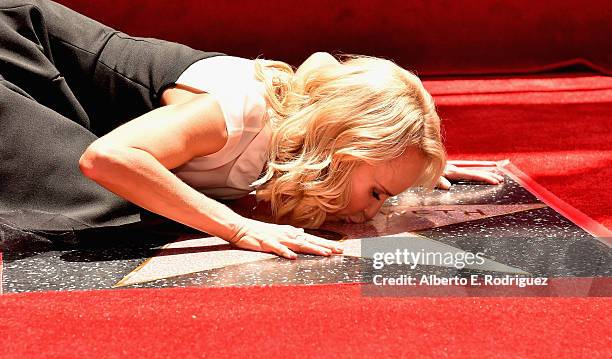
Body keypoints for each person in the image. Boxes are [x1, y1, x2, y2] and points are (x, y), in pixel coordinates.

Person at [0, 0, 503, 259]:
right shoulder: (238, 113)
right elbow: (108, 158)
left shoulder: (306, 122)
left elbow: (326, 69)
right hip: (21, 60)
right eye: (376, 191)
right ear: (345, 145)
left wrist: (408, 165)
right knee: (118, 208)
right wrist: (239, 228)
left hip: (71, 97)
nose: (374, 210)